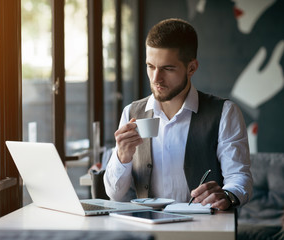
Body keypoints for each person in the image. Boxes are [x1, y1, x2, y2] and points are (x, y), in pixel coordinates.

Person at [103, 18, 253, 210]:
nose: (156, 78)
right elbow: (115, 194)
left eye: (167, 68)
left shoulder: (224, 112)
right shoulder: (131, 113)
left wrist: (228, 195)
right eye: (150, 66)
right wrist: (122, 156)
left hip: (204, 230)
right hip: (149, 229)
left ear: (191, 68)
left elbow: (240, 176)